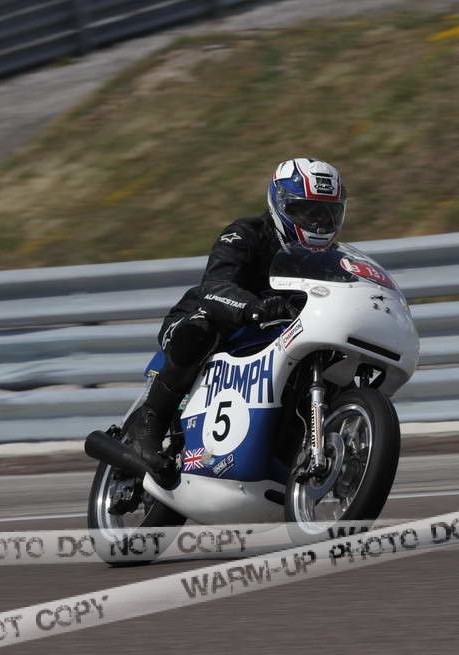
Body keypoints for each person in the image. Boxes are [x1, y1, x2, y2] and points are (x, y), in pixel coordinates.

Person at [119, 157, 348, 485]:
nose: (317, 222)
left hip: (275, 339)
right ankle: (149, 424)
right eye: (306, 211)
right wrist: (253, 308)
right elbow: (214, 287)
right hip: (210, 319)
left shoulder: (332, 259)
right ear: (280, 203)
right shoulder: (245, 234)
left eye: (327, 214)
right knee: (200, 330)